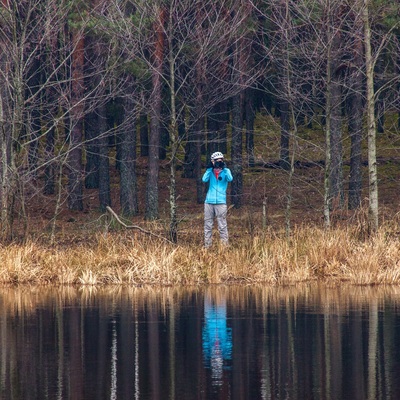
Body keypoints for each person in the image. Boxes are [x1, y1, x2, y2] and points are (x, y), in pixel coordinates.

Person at [202, 151, 233, 248]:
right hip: (209, 202)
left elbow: (230, 179)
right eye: (216, 161)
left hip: (221, 202)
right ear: (212, 161)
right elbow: (204, 180)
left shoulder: (226, 171)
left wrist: (225, 168)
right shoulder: (210, 172)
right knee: (208, 225)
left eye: (220, 160)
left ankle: (224, 247)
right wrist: (209, 168)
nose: (218, 162)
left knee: (222, 225)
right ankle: (207, 246)